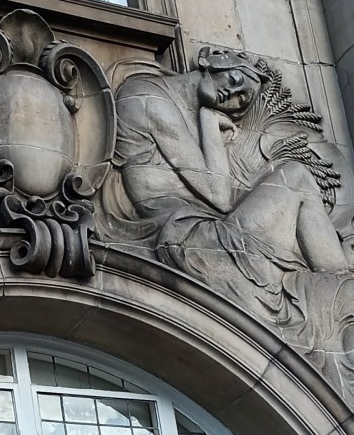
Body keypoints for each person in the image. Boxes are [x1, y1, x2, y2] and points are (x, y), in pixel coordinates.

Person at [113, 46, 354, 384]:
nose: (235, 93)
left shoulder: (174, 107)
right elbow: (219, 194)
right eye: (236, 78)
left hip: (200, 228)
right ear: (209, 60)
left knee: (296, 184)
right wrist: (210, 124)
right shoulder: (148, 98)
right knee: (296, 177)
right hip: (185, 234)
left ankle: (338, 284)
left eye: (243, 99)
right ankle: (340, 284)